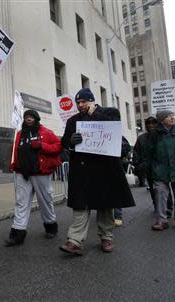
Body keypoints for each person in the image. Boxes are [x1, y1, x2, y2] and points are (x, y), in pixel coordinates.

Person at [59, 88, 135, 255]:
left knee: (105, 205)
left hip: (104, 169)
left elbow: (112, 130)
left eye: (84, 102)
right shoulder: (73, 121)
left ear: (92, 101)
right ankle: (75, 241)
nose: (80, 105)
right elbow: (64, 142)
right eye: (78, 103)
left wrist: (94, 115)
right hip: (81, 170)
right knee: (80, 206)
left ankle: (106, 237)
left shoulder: (110, 113)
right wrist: (71, 142)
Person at [5, 109, 62, 246]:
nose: (29, 119)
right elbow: (15, 151)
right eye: (27, 117)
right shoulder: (19, 134)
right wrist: (14, 165)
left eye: (31, 117)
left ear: (36, 119)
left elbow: (58, 147)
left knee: (45, 201)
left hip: (40, 173)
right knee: (21, 203)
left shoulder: (46, 132)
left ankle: (50, 226)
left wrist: (42, 146)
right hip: (22, 173)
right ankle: (18, 233)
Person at [133, 116, 174, 216]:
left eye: (153, 123)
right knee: (153, 189)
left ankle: (168, 207)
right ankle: (158, 206)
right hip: (149, 168)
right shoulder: (141, 138)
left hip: (162, 168)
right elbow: (136, 153)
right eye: (148, 123)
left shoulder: (163, 136)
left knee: (164, 188)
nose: (151, 125)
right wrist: (138, 165)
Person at [114, 136, 132, 227]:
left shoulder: (117, 135)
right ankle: (106, 216)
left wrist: (118, 149)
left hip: (115, 166)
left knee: (116, 191)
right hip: (100, 168)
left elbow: (126, 148)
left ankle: (118, 215)